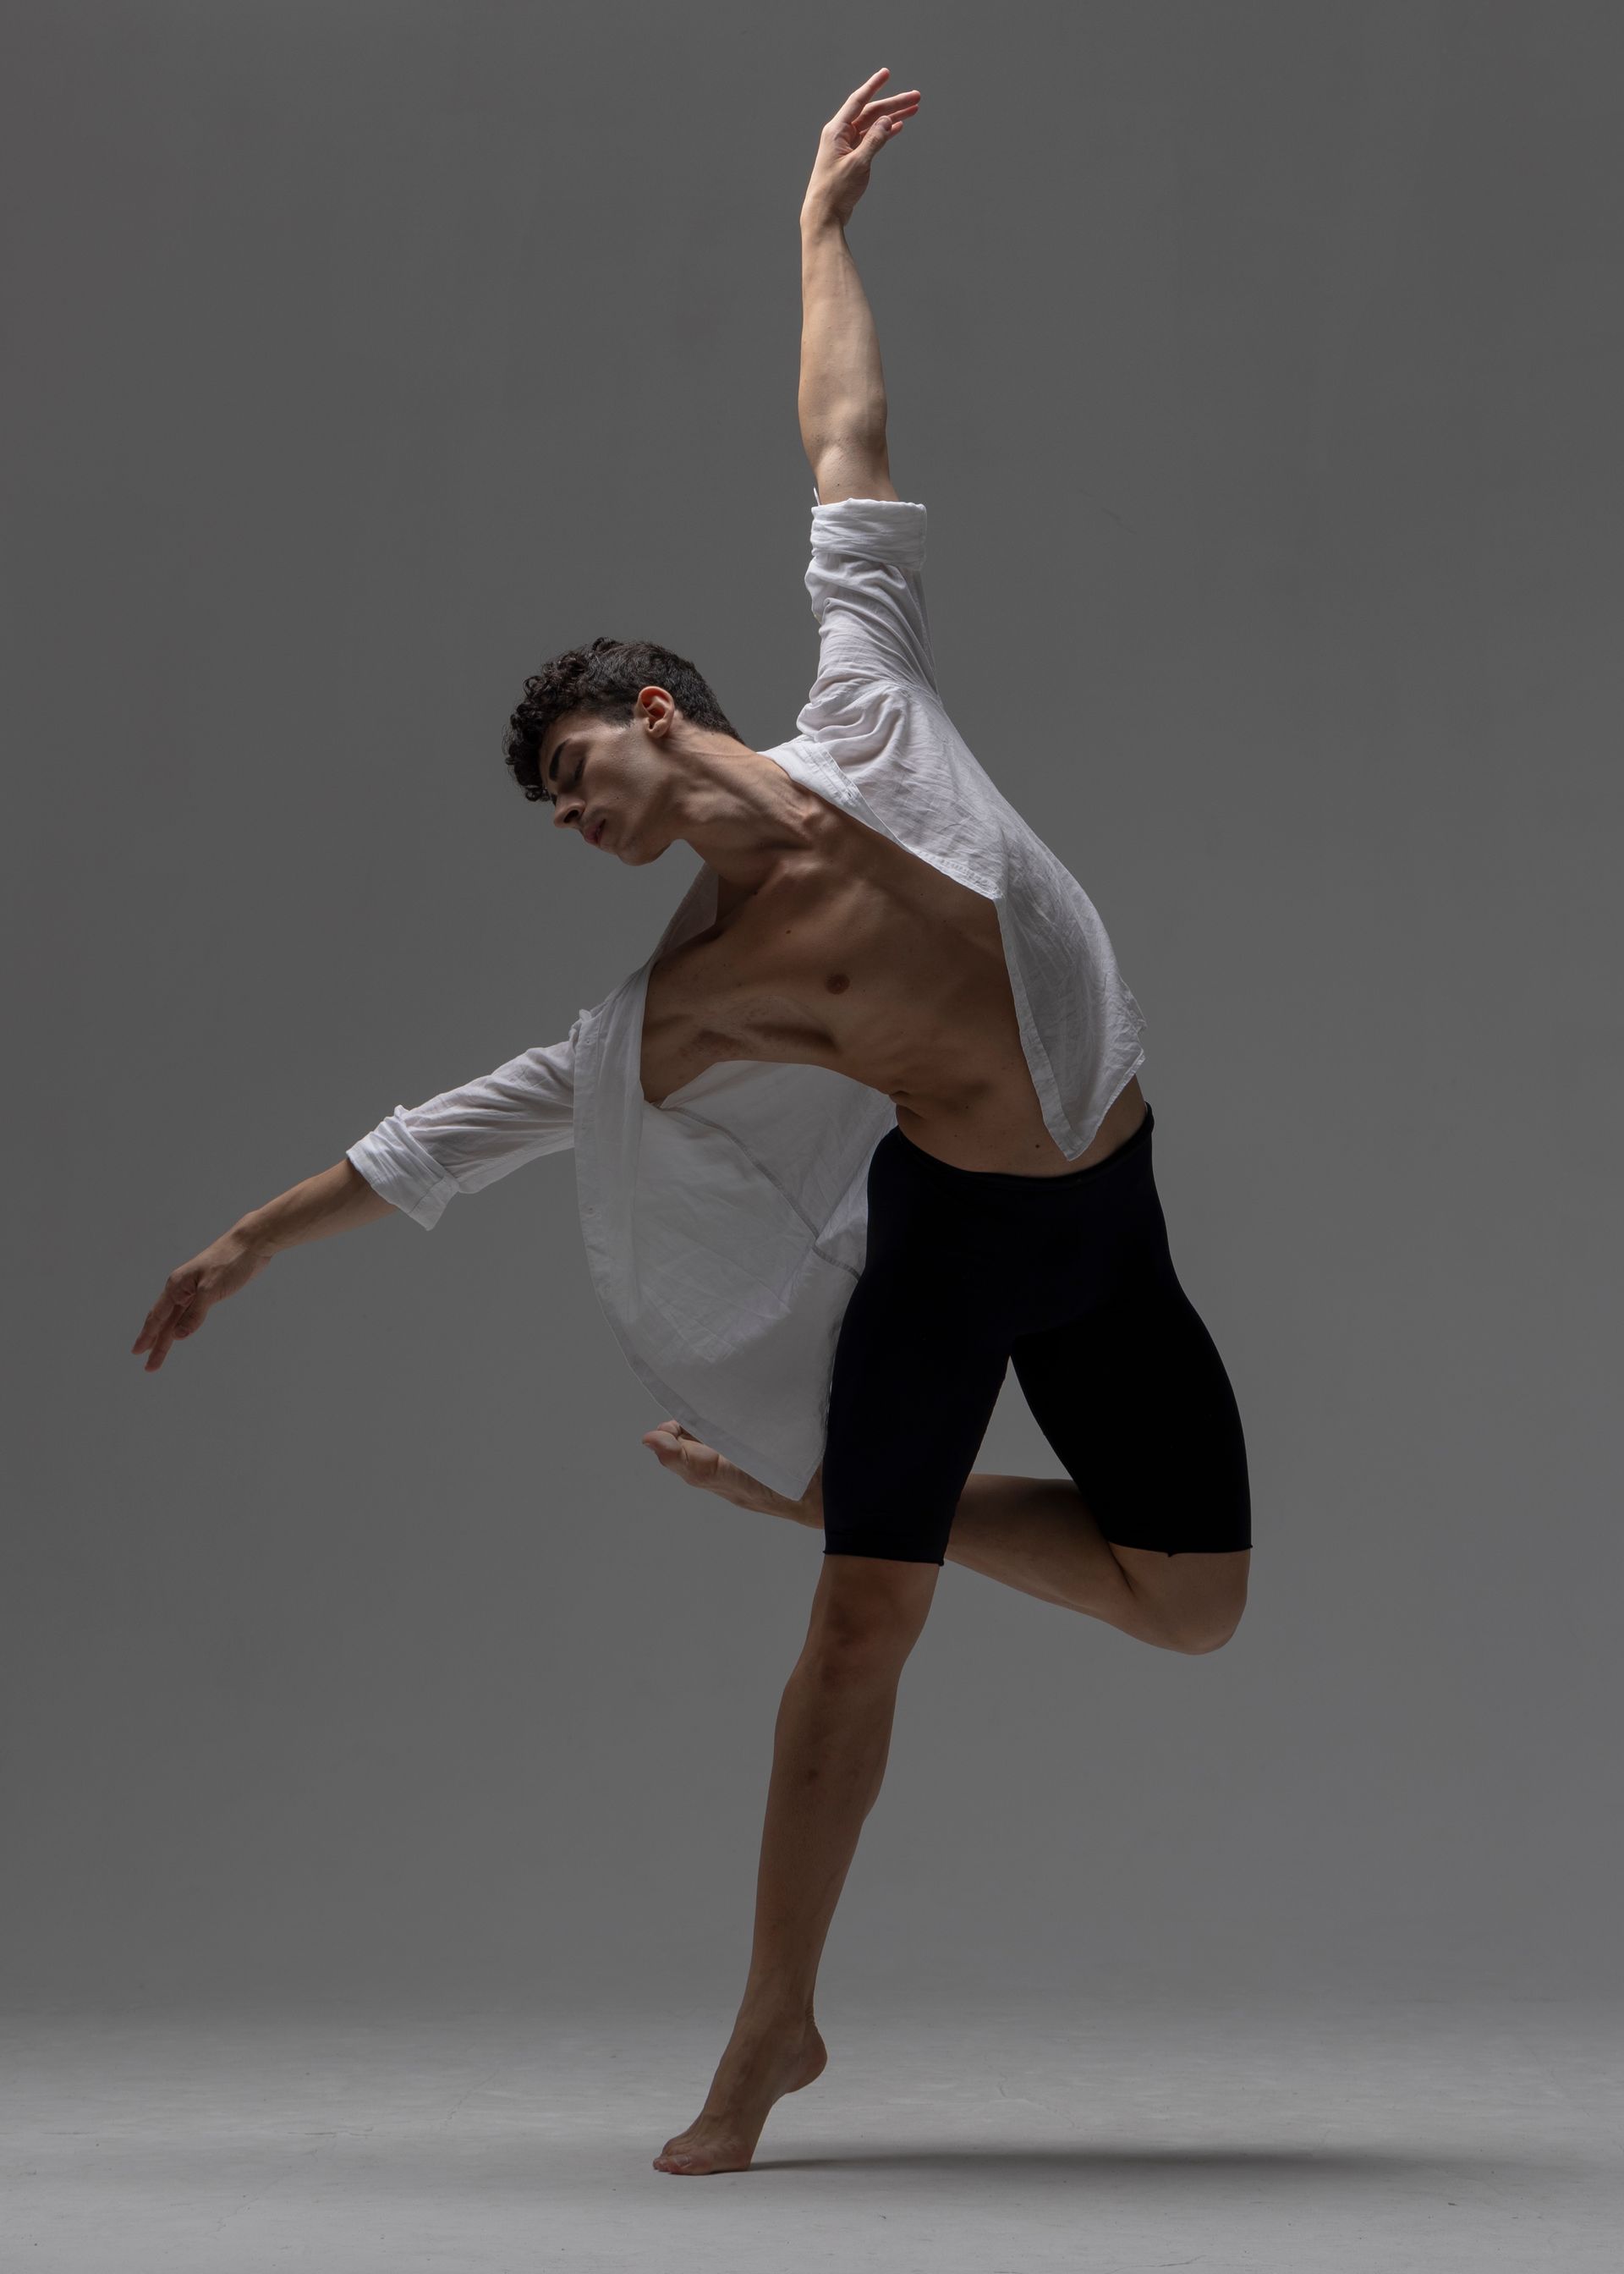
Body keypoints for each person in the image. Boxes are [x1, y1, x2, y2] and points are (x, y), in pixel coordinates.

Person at [130, 69, 1251, 2178]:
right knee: (861, 1627)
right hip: (956, 1242)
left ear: (656, 719)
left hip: (1116, 1210)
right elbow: (464, 1128)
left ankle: (848, 1500)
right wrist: (251, 1239)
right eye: (557, 816)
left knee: (1193, 1606)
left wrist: (818, 234)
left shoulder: (867, 707)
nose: (575, 827)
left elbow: (847, 441)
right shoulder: (688, 999)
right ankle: (769, 2038)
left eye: (575, 781)